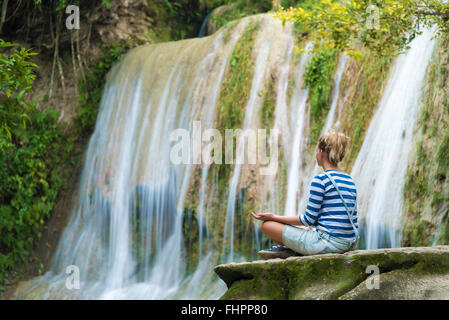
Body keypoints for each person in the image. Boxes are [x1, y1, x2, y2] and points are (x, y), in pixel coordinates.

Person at [251, 129, 358, 259]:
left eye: (317, 149)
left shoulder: (321, 180)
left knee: (268, 226)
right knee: (307, 229)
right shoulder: (349, 180)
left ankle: (292, 250)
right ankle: (292, 249)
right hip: (348, 243)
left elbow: (308, 220)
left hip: (326, 244)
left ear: (321, 152)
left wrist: (274, 217)